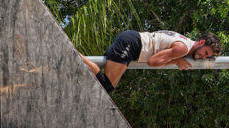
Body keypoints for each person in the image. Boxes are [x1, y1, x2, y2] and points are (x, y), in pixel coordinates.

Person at [81, 30, 222, 92]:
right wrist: (175, 61)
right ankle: (75, 55)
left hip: (131, 42)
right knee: (105, 85)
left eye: (207, 57)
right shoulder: (183, 49)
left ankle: (77, 58)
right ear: (201, 42)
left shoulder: (185, 41)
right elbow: (153, 62)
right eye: (205, 52)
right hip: (131, 45)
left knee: (108, 88)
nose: (204, 57)